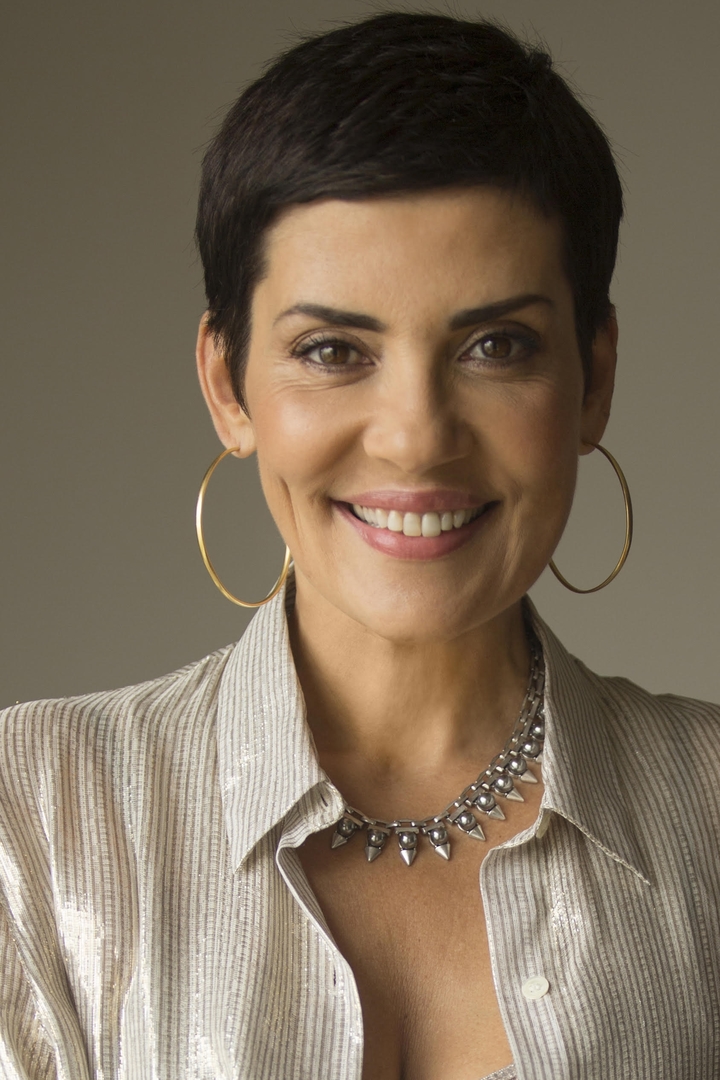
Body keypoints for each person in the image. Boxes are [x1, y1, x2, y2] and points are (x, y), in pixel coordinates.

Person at [1, 11, 719, 1080]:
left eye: (495, 345)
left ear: (594, 380)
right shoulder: (37, 816)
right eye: (333, 350)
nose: (416, 437)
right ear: (226, 385)